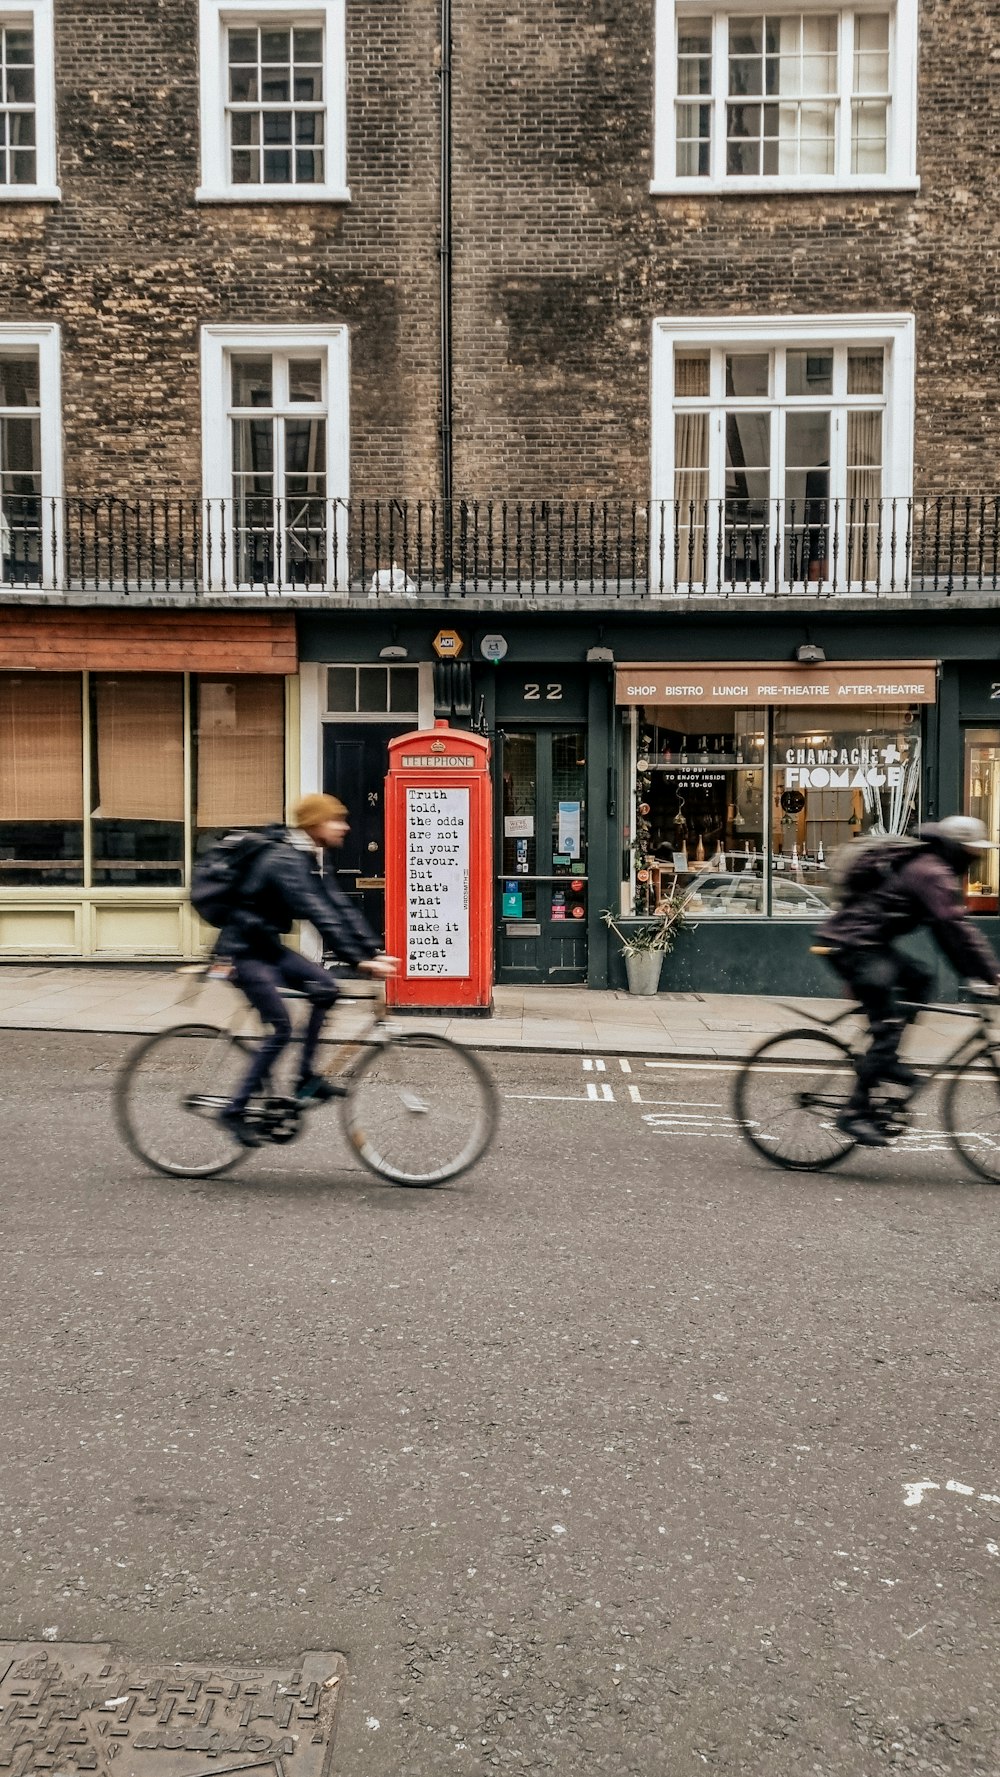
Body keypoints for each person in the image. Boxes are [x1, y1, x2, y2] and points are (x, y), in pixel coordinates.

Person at [216, 792, 396, 1147]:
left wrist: (372, 950)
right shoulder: (285, 859)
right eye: (336, 819)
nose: (344, 826)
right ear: (315, 824)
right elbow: (316, 911)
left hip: (267, 947)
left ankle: (304, 1079)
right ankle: (233, 1110)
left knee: (326, 989)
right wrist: (358, 960)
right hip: (242, 953)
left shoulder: (313, 857)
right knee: (281, 1027)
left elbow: (338, 907)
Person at [816, 815, 1000, 1145]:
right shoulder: (931, 871)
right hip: (853, 945)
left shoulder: (931, 868)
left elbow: (949, 935)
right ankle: (855, 1113)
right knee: (886, 1024)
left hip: (867, 944)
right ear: (958, 850)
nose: (976, 861)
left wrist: (975, 972)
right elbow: (956, 930)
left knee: (920, 978)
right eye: (974, 854)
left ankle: (886, 1059)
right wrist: (991, 973)